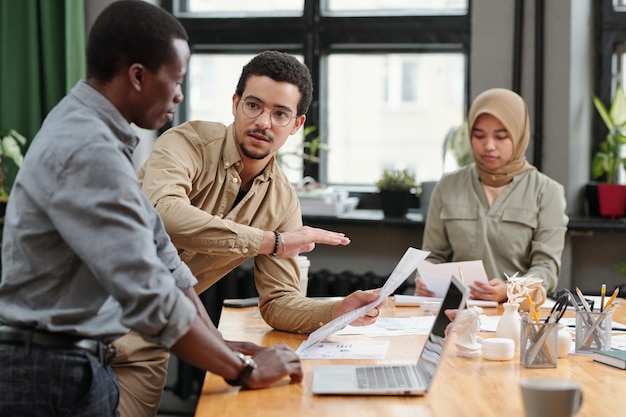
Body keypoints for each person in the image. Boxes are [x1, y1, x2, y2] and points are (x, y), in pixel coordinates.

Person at [0, 2, 304, 416]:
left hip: (72, 362)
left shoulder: (100, 136)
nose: (180, 95)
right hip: (47, 371)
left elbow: (168, 267)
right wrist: (243, 370)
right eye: (176, 80)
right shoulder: (88, 149)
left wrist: (220, 347)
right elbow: (150, 293)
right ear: (138, 76)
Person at [117, 50, 385, 415]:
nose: (263, 122)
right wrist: (270, 242)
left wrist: (339, 308)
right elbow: (161, 214)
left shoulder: (283, 200)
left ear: (296, 124)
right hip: (86, 318)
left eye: (280, 114)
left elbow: (278, 303)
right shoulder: (187, 143)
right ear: (235, 103)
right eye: (254, 105)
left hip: (148, 343)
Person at [415, 88, 568, 302]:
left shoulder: (547, 191)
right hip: (457, 310)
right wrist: (425, 281)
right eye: (479, 136)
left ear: (519, 135)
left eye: (501, 137)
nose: (488, 146)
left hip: (517, 314)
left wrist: (511, 289)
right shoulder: (449, 186)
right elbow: (433, 255)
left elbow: (546, 268)